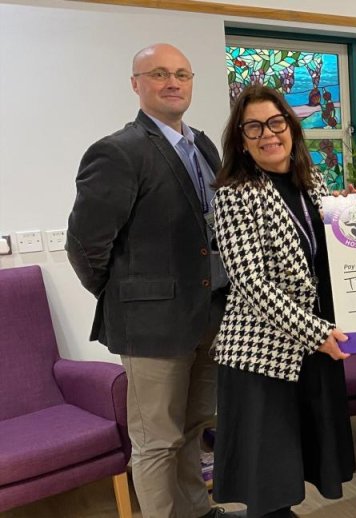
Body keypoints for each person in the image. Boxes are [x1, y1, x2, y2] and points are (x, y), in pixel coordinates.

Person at [66, 43, 237, 518]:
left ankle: (196, 512)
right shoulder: (117, 152)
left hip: (208, 316)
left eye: (182, 74)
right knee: (157, 440)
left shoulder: (201, 144)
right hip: (152, 327)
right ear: (135, 83)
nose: (173, 83)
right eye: (159, 73)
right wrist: (126, 296)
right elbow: (84, 246)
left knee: (193, 424)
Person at [210, 85, 356, 518]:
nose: (268, 134)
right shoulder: (234, 193)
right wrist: (316, 332)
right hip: (263, 351)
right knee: (270, 470)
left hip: (313, 347)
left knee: (297, 459)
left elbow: (337, 245)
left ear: (291, 128)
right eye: (254, 127)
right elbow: (249, 282)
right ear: (241, 141)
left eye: (276, 123)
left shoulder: (311, 181)